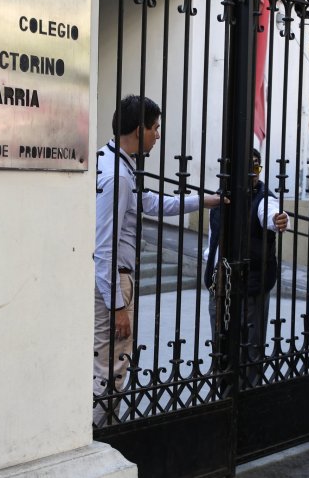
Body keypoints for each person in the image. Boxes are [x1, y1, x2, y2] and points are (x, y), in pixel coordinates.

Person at [94, 95, 223, 426]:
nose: (158, 134)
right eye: (155, 127)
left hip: (111, 279)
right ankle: (99, 437)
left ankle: (102, 433)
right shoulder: (118, 176)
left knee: (105, 366)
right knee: (111, 370)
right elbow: (105, 246)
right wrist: (117, 306)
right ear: (139, 130)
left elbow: (149, 203)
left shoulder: (111, 161)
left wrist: (201, 201)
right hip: (114, 280)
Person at [203, 148, 288, 386]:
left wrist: (279, 219)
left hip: (251, 285)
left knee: (250, 348)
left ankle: (249, 395)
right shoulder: (219, 199)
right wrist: (210, 267)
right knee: (221, 344)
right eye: (247, 167)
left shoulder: (264, 198)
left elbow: (271, 214)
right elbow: (213, 239)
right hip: (220, 285)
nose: (253, 173)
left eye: (256, 167)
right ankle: (223, 394)